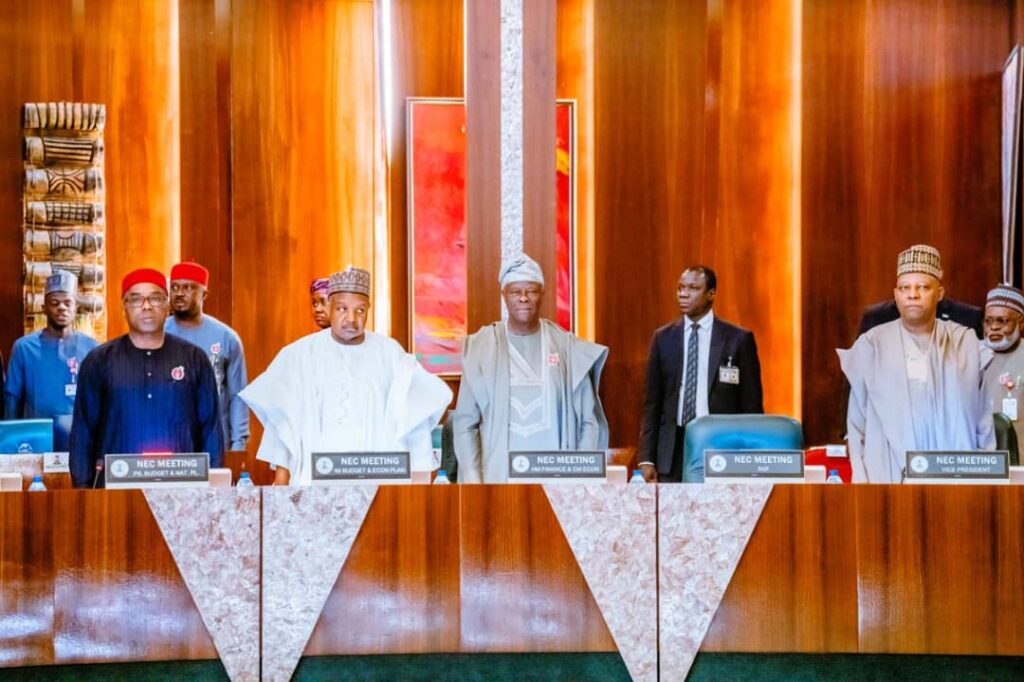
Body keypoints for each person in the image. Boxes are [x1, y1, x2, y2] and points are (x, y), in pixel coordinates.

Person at [240, 266, 451, 484]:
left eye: (360, 310)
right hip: (315, 485)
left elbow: (417, 415)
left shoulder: (390, 353)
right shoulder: (298, 355)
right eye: (342, 308)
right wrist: (281, 489)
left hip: (377, 482)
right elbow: (283, 425)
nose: (351, 318)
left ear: (369, 309)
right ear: (329, 306)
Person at [839, 245, 994, 483]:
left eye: (922, 287)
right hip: (888, 481)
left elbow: (984, 425)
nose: (913, 295)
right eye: (905, 288)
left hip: (955, 482)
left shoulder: (966, 343)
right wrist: (863, 487)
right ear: (896, 294)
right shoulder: (872, 345)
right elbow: (857, 424)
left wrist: (984, 482)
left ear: (939, 293)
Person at [452, 254, 608, 483]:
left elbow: (589, 422)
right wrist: (474, 481)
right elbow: (465, 423)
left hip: (558, 481)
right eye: (516, 292)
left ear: (542, 293)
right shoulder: (481, 348)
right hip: (499, 481)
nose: (524, 298)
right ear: (504, 295)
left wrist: (580, 477)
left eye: (531, 291)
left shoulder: (566, 347)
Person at [69, 268, 223, 487]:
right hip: (115, 490)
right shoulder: (99, 361)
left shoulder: (194, 358)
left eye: (155, 298)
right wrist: (84, 494)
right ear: (124, 307)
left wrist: (213, 490)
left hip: (182, 489)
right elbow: (83, 433)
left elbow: (211, 430)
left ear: (167, 305)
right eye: (136, 299)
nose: (146, 306)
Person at [637, 265, 763, 482]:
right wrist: (646, 457)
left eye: (693, 288)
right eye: (680, 288)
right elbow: (652, 403)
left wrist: (751, 457)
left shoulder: (738, 339)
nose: (683, 294)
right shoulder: (662, 338)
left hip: (721, 445)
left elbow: (752, 406)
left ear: (711, 293)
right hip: (672, 448)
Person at [5, 271, 98, 450]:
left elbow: (99, 401)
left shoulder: (93, 348)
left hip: (79, 442)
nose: (61, 307)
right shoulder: (24, 347)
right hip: (34, 442)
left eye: (67, 303)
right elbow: (12, 401)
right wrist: (10, 446)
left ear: (76, 308)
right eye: (55, 303)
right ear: (44, 308)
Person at [165, 261, 250, 450]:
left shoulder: (226, 337)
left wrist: (239, 444)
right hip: (167, 442)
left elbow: (237, 396)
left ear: (204, 294)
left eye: (188, 288)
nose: (179, 293)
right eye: (175, 287)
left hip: (214, 441)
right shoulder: (157, 335)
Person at [981, 284, 1024, 447]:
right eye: (988, 321)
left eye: (1002, 321)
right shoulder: (970, 355)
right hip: (982, 454)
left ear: (1020, 323)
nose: (994, 327)